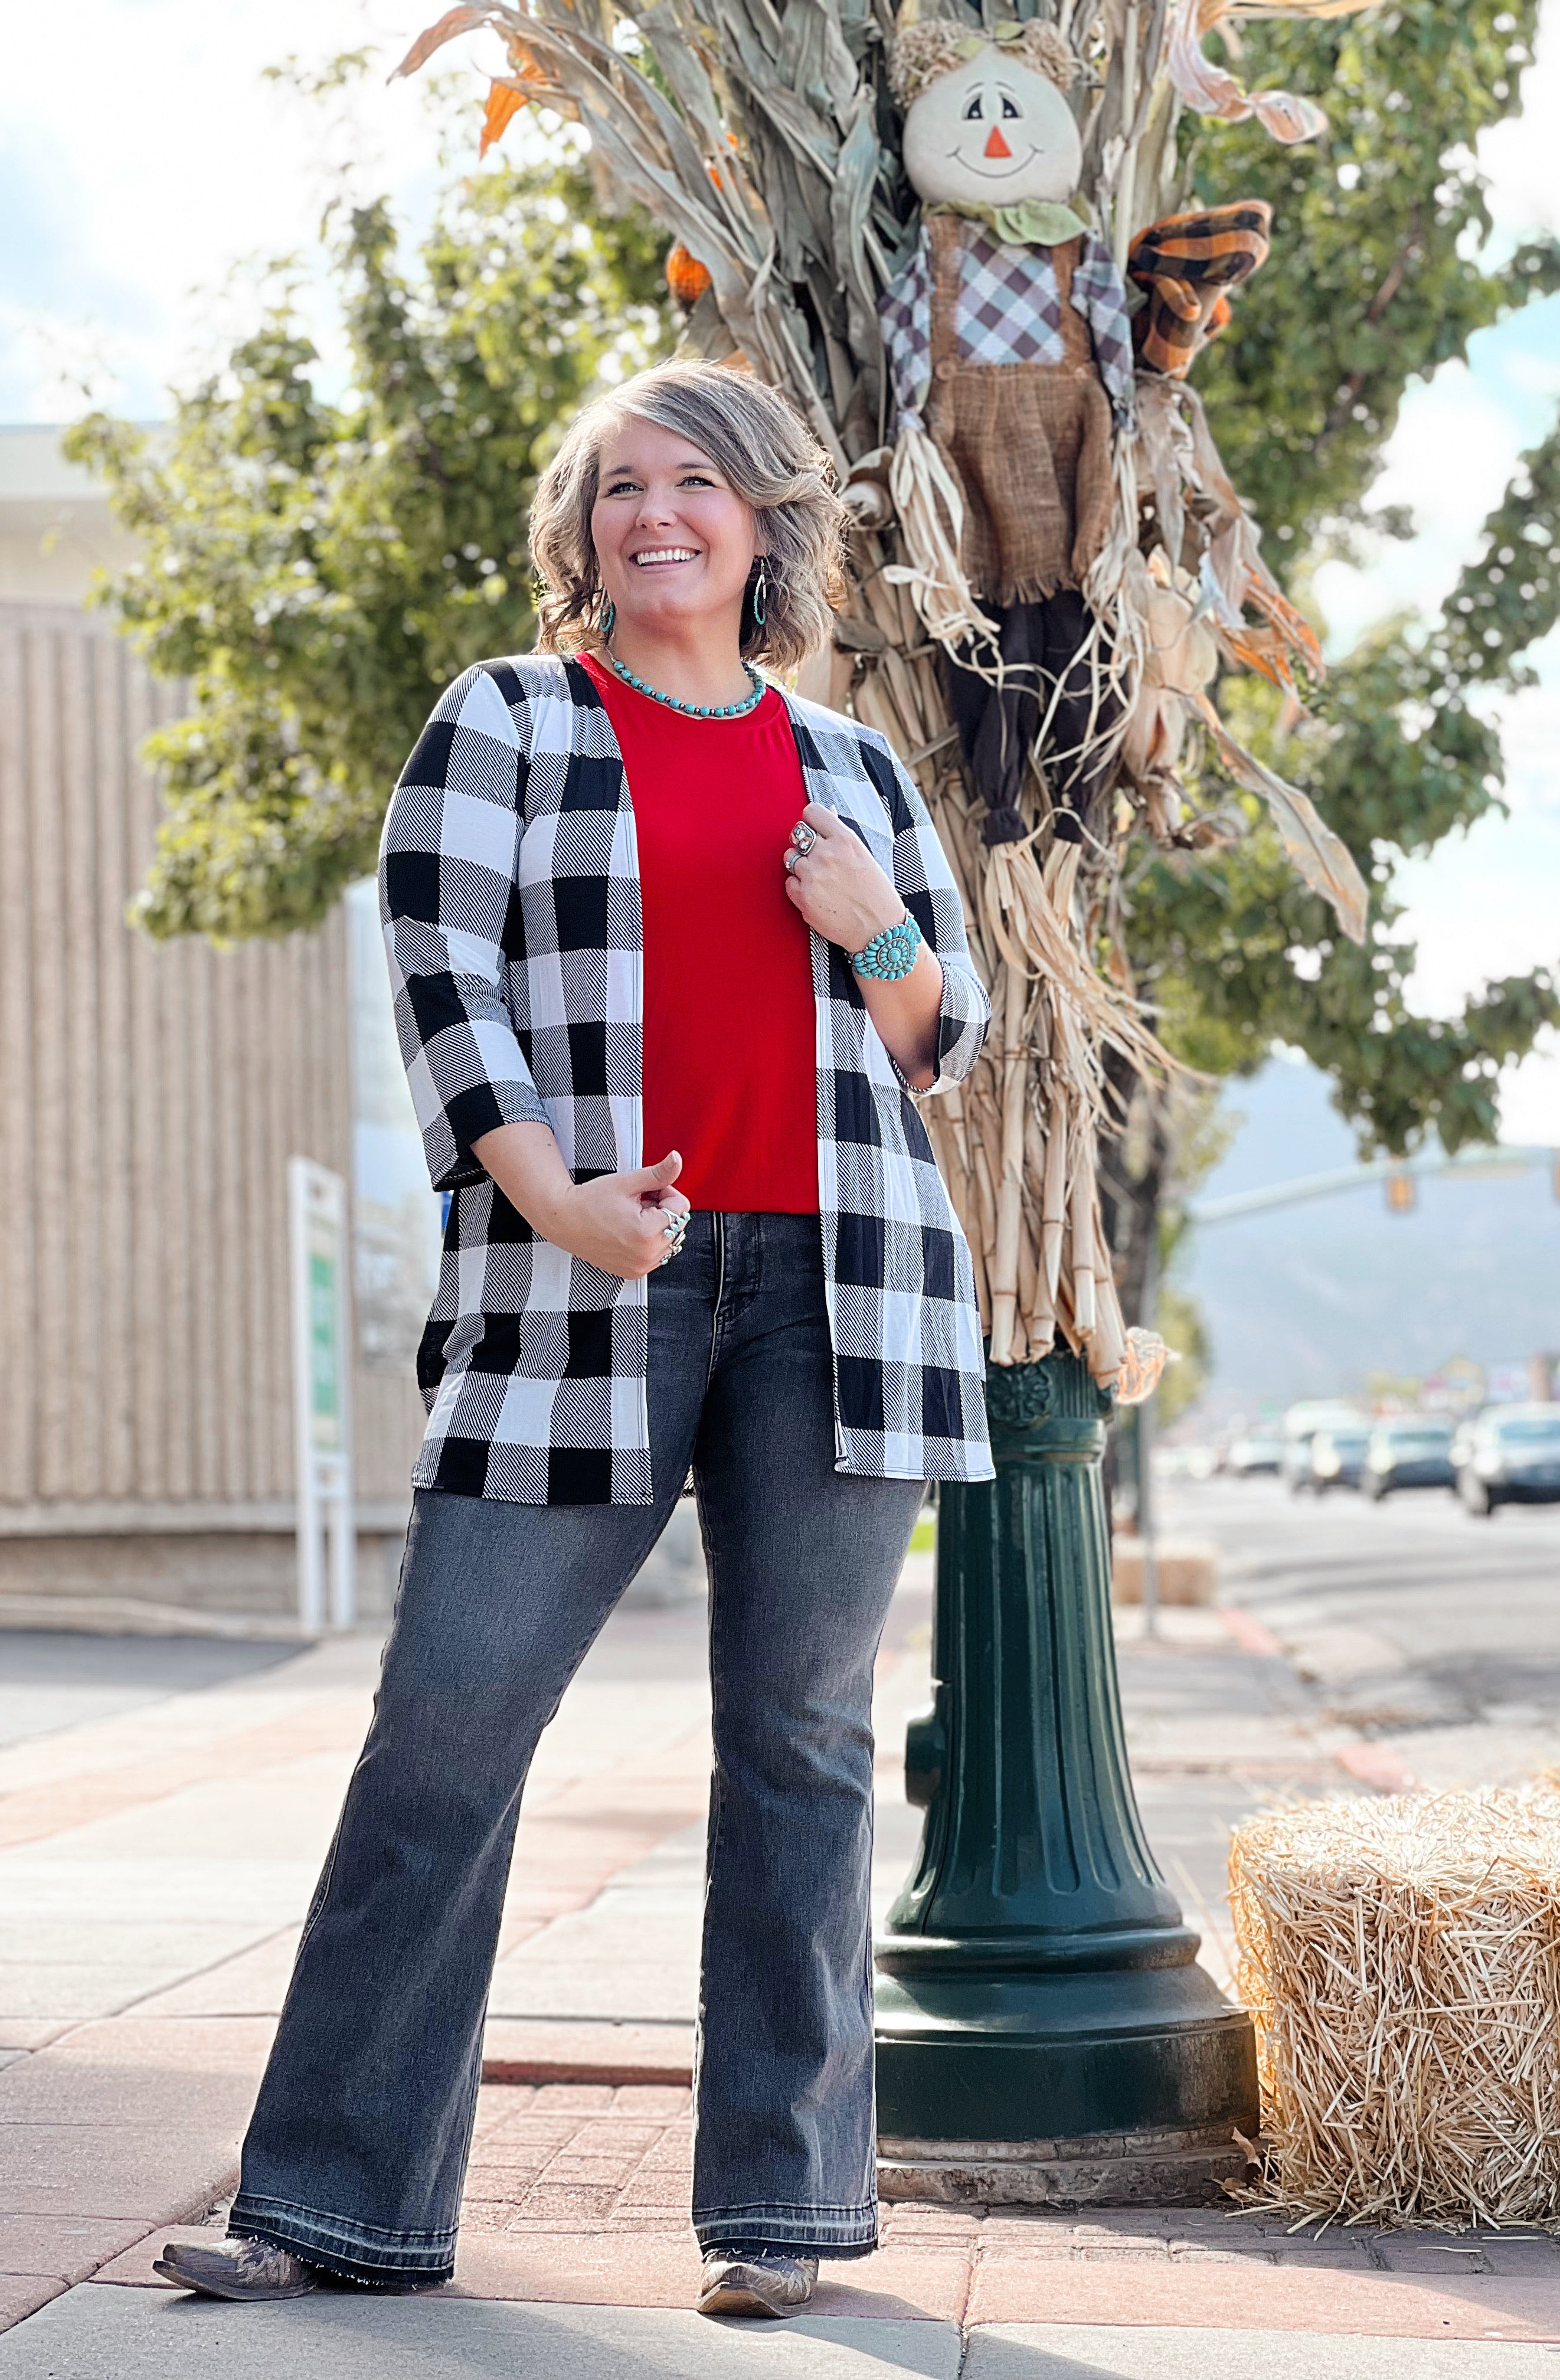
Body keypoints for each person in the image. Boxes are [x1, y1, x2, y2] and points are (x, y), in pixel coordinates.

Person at [154, 358, 993, 2320]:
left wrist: (878, 932)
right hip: (573, 1280)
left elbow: (948, 1037)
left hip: (842, 1296)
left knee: (798, 1745)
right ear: (582, 530)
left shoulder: (853, 768)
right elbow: (440, 970)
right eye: (622, 486)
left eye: (697, 482)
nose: (658, 515)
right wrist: (550, 1197)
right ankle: (335, 2203)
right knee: (447, 1728)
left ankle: (780, 2219)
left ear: (764, 522)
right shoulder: (511, 719)